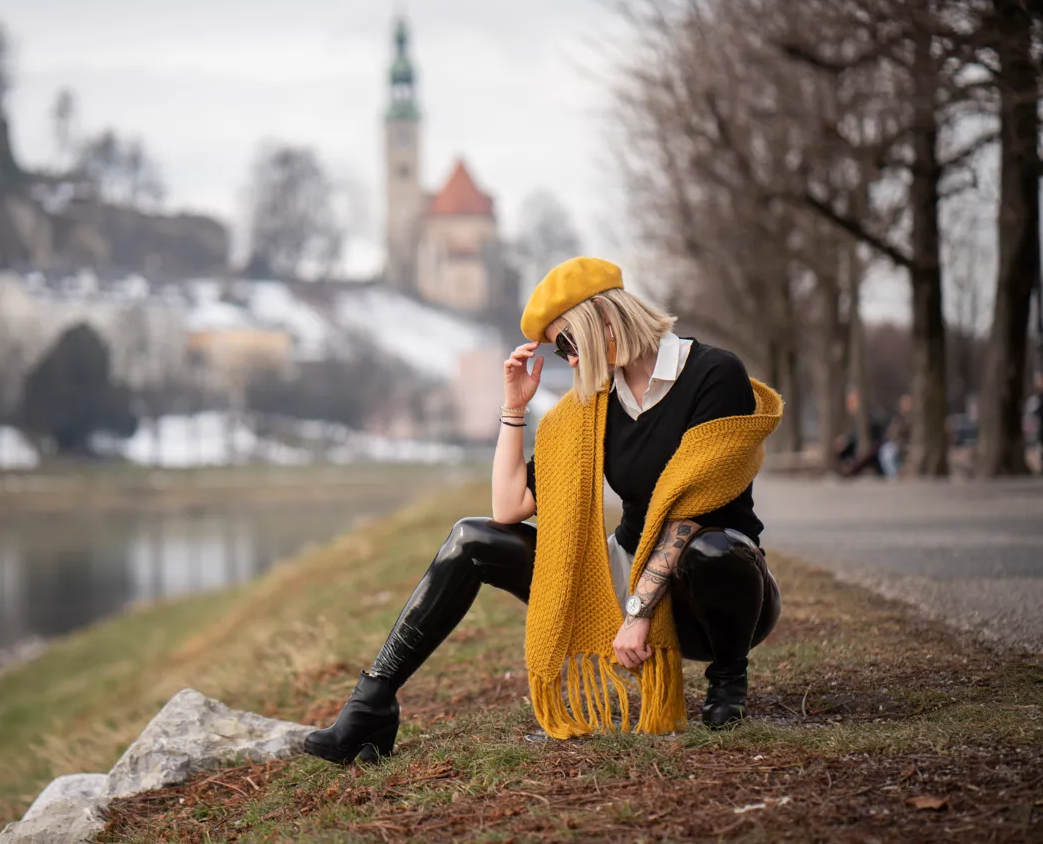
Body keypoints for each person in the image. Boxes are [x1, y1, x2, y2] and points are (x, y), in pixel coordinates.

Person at [303, 257, 783, 765]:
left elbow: (691, 510)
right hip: (627, 572)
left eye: (568, 344)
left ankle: (728, 681)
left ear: (602, 317)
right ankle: (372, 705)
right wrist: (514, 408)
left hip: (717, 595)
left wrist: (639, 612)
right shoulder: (592, 404)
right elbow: (509, 507)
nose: (570, 361)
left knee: (712, 550)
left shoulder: (714, 373)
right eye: (560, 351)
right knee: (472, 539)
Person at [878, 393, 912, 480]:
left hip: (907, 445)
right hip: (896, 444)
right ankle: (893, 476)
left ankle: (896, 476)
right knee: (886, 452)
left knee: (889, 454)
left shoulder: (913, 419)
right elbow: (890, 434)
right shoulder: (897, 419)